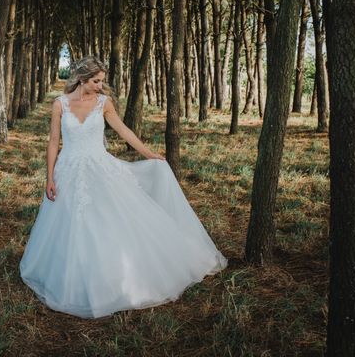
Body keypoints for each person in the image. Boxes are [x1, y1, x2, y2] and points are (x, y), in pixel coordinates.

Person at [19, 56, 227, 319]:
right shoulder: (59, 104)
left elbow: (124, 131)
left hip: (99, 168)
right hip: (69, 171)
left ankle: (117, 276)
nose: (100, 86)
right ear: (82, 79)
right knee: (70, 224)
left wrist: (149, 153)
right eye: (96, 81)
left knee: (107, 220)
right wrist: (49, 178)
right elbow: (52, 143)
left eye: (102, 81)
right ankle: (75, 278)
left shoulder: (103, 104)